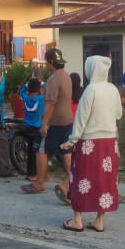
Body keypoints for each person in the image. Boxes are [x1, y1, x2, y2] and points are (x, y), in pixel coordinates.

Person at [60, 55, 125, 232]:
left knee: (81, 177)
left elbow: (81, 119)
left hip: (89, 142)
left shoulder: (90, 90)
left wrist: (72, 140)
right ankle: (99, 220)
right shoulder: (112, 89)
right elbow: (119, 114)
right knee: (104, 180)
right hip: (109, 142)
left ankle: (78, 219)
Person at [22, 48, 73, 200]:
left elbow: (50, 103)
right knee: (67, 152)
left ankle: (39, 182)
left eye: (46, 62)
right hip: (68, 120)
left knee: (41, 150)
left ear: (50, 63)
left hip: (55, 122)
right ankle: (71, 180)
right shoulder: (67, 76)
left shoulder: (52, 80)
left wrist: (44, 124)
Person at [22, 77, 45, 181]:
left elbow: (22, 90)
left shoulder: (26, 98)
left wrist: (28, 83)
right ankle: (34, 174)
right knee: (36, 152)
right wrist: (41, 83)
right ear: (39, 89)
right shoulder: (40, 99)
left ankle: (29, 174)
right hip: (37, 129)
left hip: (27, 128)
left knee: (30, 151)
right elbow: (46, 89)